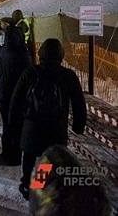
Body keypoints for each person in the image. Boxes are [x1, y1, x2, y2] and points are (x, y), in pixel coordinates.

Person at [9, 38, 86, 200]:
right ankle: (41, 186)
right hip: (56, 128)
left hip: (32, 126)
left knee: (29, 156)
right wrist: (79, 125)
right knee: (49, 159)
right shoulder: (68, 76)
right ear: (61, 55)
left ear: (41, 53)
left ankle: (29, 187)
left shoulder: (30, 73)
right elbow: (79, 103)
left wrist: (13, 123)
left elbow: (15, 100)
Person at [0, 26, 30, 165]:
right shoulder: (23, 56)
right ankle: (15, 157)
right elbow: (28, 77)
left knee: (6, 124)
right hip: (19, 97)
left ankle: (6, 152)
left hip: (2, 94)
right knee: (18, 126)